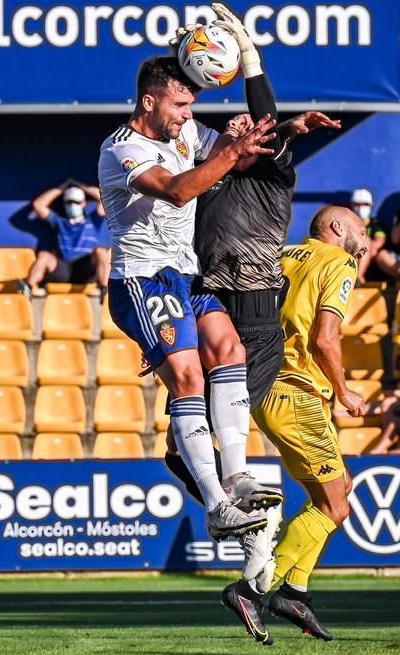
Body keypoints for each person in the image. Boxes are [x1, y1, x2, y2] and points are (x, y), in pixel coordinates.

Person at [150, 7, 343, 643]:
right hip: (205, 295)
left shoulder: (271, 167)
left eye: (251, 129)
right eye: (235, 126)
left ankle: (255, 564)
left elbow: (262, 125)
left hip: (255, 310)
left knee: (220, 426)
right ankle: (249, 541)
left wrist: (253, 62)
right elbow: (210, 146)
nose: (241, 128)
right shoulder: (219, 160)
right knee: (182, 443)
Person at [97, 51, 278, 542]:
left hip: (187, 274)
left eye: (192, 105)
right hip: (143, 279)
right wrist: (227, 153)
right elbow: (176, 191)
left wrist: (256, 136)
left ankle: (237, 475)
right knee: (188, 373)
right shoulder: (121, 149)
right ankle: (217, 505)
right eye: (179, 104)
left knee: (230, 350)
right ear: (149, 101)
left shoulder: (187, 133)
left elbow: (235, 151)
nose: (187, 115)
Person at [242, 205, 369, 642]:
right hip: (297, 392)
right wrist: (346, 390)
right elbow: (324, 338)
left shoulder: (281, 256)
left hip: (265, 389)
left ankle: (295, 591)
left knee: (339, 490)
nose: (365, 241)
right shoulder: (340, 262)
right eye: (360, 230)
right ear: (337, 228)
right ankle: (254, 587)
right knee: (336, 507)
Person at [23, 180, 111, 291]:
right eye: (69, 202)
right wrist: (60, 189)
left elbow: (106, 199)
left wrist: (84, 187)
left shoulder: (93, 220)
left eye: (76, 202)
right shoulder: (59, 222)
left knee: (101, 251)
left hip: (85, 269)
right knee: (44, 255)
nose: (72, 205)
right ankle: (27, 288)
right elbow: (38, 205)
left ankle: (104, 288)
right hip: (63, 269)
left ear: (84, 203)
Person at [350, 189, 389, 284]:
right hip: (351, 258)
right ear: (352, 205)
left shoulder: (375, 224)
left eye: (365, 204)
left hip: (371, 261)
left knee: (366, 241)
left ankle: (358, 277)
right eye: (357, 204)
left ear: (371, 205)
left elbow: (379, 243)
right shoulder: (347, 224)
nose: (361, 207)